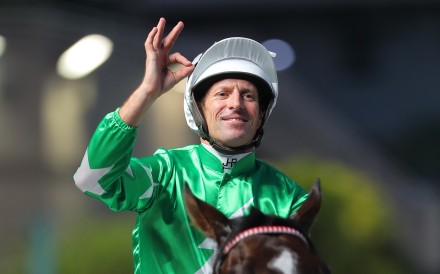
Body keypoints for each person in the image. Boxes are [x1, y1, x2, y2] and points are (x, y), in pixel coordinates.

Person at [73, 17, 308, 274]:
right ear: (198, 111)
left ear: (261, 114)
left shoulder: (290, 198)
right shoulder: (165, 172)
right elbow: (93, 178)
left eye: (248, 96)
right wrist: (147, 92)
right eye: (222, 93)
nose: (236, 104)